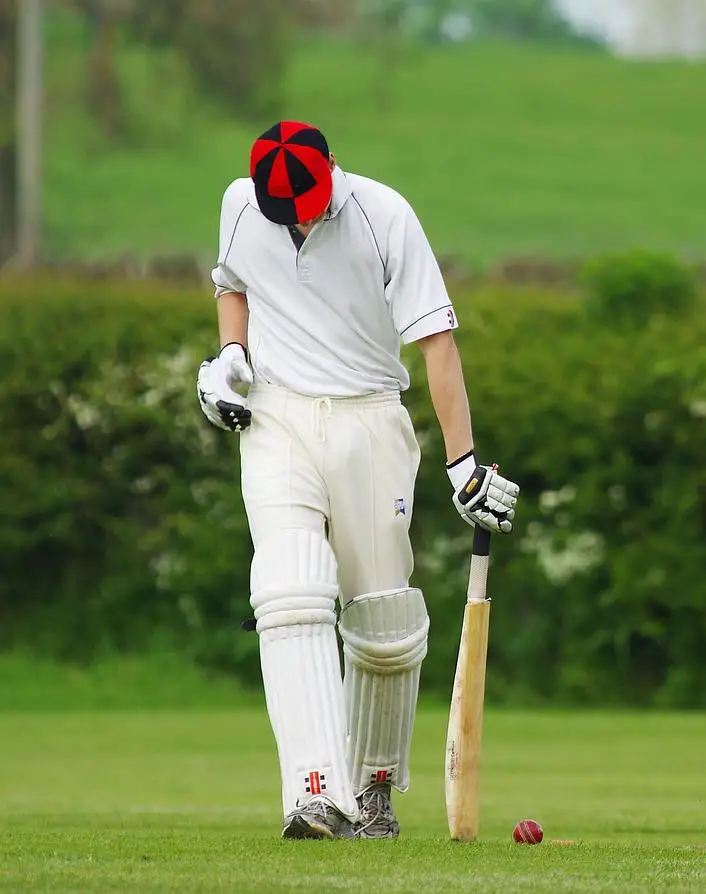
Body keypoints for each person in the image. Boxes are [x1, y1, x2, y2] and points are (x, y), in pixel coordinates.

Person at [196, 121, 520, 840]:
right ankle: (314, 794)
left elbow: (436, 341)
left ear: (332, 170)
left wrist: (462, 462)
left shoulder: (384, 216)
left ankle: (372, 788)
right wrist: (229, 357)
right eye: (288, 209)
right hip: (276, 417)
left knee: (384, 623)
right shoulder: (242, 206)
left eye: (309, 202)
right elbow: (231, 287)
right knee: (289, 590)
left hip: (370, 417)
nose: (302, 218)